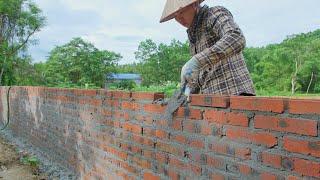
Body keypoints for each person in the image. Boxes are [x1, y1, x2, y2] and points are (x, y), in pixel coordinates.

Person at [160, 0, 255, 96]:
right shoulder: (194, 34)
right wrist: (185, 92)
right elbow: (198, 75)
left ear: (195, 4)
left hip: (236, 95)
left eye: (181, 12)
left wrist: (197, 61)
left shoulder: (213, 14)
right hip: (213, 100)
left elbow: (236, 37)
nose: (179, 18)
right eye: (175, 16)